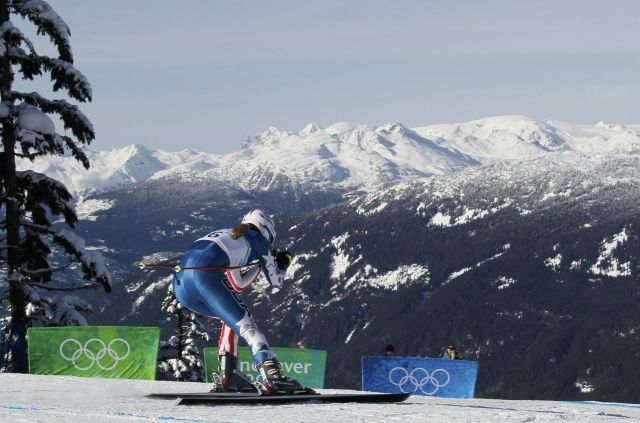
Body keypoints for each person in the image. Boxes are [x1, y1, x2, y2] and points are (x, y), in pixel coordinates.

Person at [172, 209, 303, 394]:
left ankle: (229, 375)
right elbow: (276, 282)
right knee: (248, 326)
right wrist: (283, 262)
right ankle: (273, 377)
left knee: (232, 322)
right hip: (204, 279)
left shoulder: (230, 234)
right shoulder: (258, 241)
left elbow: (238, 282)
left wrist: (258, 264)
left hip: (180, 286)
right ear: (267, 232)